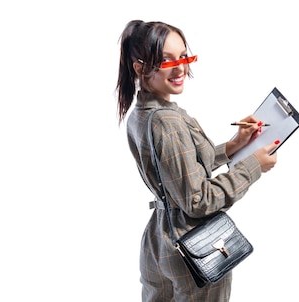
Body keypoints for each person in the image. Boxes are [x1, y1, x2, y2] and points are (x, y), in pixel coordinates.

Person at [115, 20, 279, 302]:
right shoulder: (167, 122)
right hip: (193, 248)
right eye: (165, 61)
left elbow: (175, 172)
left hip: (159, 240)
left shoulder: (141, 114)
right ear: (140, 68)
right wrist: (253, 166)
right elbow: (197, 200)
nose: (180, 68)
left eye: (183, 56)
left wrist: (232, 147)